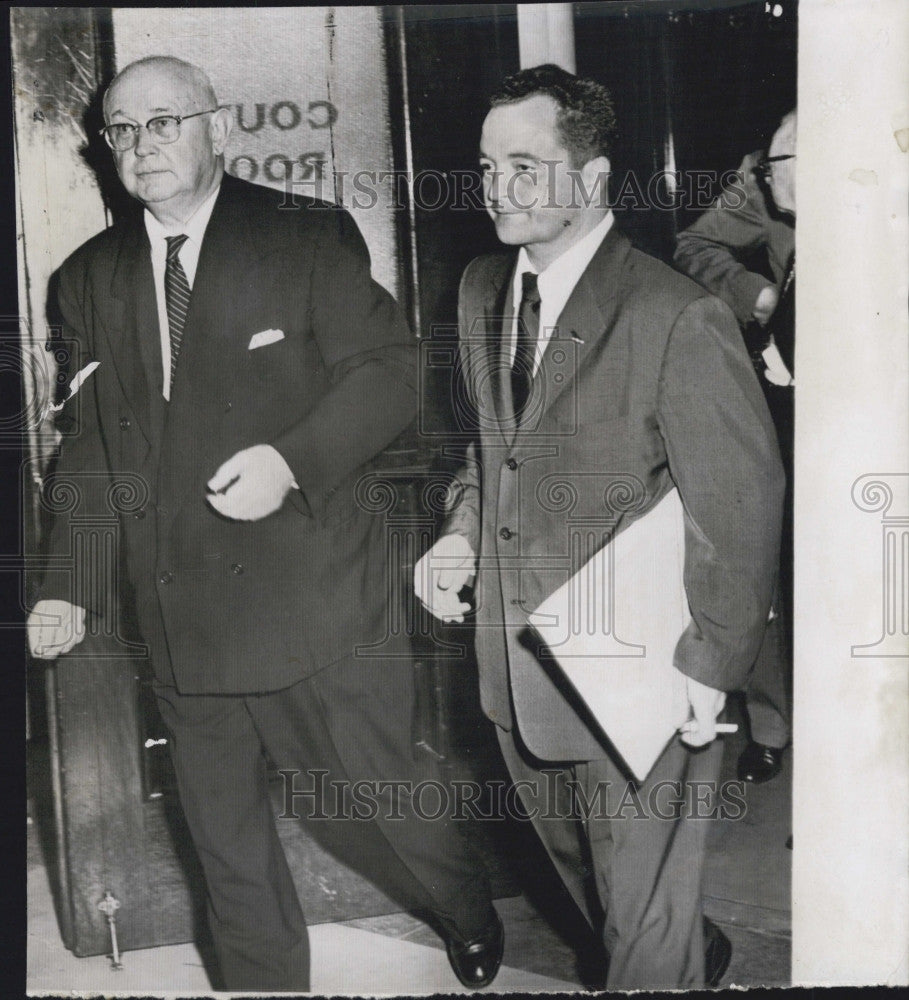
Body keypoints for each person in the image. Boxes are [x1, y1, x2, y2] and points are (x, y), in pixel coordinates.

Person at [26, 56, 502, 992]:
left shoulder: (302, 235)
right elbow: (90, 452)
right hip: (182, 606)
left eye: (164, 122)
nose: (142, 146)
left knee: (387, 797)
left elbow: (388, 375)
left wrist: (290, 462)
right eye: (122, 130)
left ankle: (465, 907)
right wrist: (65, 585)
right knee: (225, 838)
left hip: (312, 589)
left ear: (215, 126)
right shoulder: (87, 278)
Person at [415, 65, 784, 990]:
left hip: (644, 673)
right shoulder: (477, 293)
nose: (498, 187)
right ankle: (687, 950)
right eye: (488, 166)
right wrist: (459, 534)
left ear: (589, 179)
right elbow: (488, 451)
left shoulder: (674, 312)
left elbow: (738, 501)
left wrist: (712, 665)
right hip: (518, 666)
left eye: (525, 166)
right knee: (597, 889)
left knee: (637, 939)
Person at [675, 109, 796, 784]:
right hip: (790, 397)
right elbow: (693, 246)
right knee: (770, 555)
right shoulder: (766, 167)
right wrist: (760, 294)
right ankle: (773, 722)